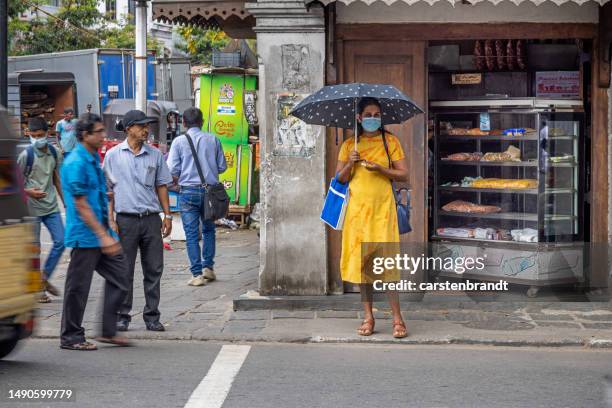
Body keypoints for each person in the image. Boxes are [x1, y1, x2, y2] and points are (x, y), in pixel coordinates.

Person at [335, 97, 410, 339]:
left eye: (377, 114)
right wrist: (350, 163)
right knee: (362, 268)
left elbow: (403, 174)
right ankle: (369, 317)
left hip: (383, 212)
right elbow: (340, 179)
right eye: (368, 115)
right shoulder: (349, 145)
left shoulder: (391, 142)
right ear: (359, 118)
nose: (373, 119)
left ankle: (398, 318)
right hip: (357, 214)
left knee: (387, 266)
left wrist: (380, 168)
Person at [59, 113, 130, 350]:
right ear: (84, 135)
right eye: (98, 132)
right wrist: (102, 235)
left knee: (121, 276)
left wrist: (108, 227)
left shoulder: (91, 158)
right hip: (85, 235)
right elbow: (80, 204)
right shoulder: (77, 162)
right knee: (78, 288)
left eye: (102, 131)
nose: (103, 135)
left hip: (101, 233)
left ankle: (108, 331)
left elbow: (97, 196)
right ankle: (71, 336)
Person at [103, 110, 173, 332]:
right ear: (129, 128)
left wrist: (167, 215)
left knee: (154, 269)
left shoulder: (154, 155)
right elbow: (108, 190)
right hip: (125, 221)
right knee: (124, 270)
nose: (146, 129)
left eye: (147, 125)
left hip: (151, 220)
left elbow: (161, 185)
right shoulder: (113, 156)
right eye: (141, 125)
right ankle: (123, 315)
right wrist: (111, 219)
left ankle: (152, 315)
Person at [166, 107, 227, 286]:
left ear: (183, 123)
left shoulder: (178, 142)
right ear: (202, 122)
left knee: (192, 234)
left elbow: (172, 170)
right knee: (209, 230)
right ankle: (208, 267)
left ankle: (196, 274)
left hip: (189, 192)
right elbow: (222, 167)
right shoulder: (213, 139)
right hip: (210, 192)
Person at [17, 117, 65, 303]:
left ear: (47, 133)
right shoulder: (25, 156)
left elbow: (56, 178)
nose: (37, 139)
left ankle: (42, 279)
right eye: (34, 136)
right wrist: (28, 191)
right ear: (28, 135)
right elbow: (13, 184)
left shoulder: (54, 152)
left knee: (61, 241)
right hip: (31, 209)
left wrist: (66, 201)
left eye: (40, 135)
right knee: (34, 250)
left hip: (51, 206)